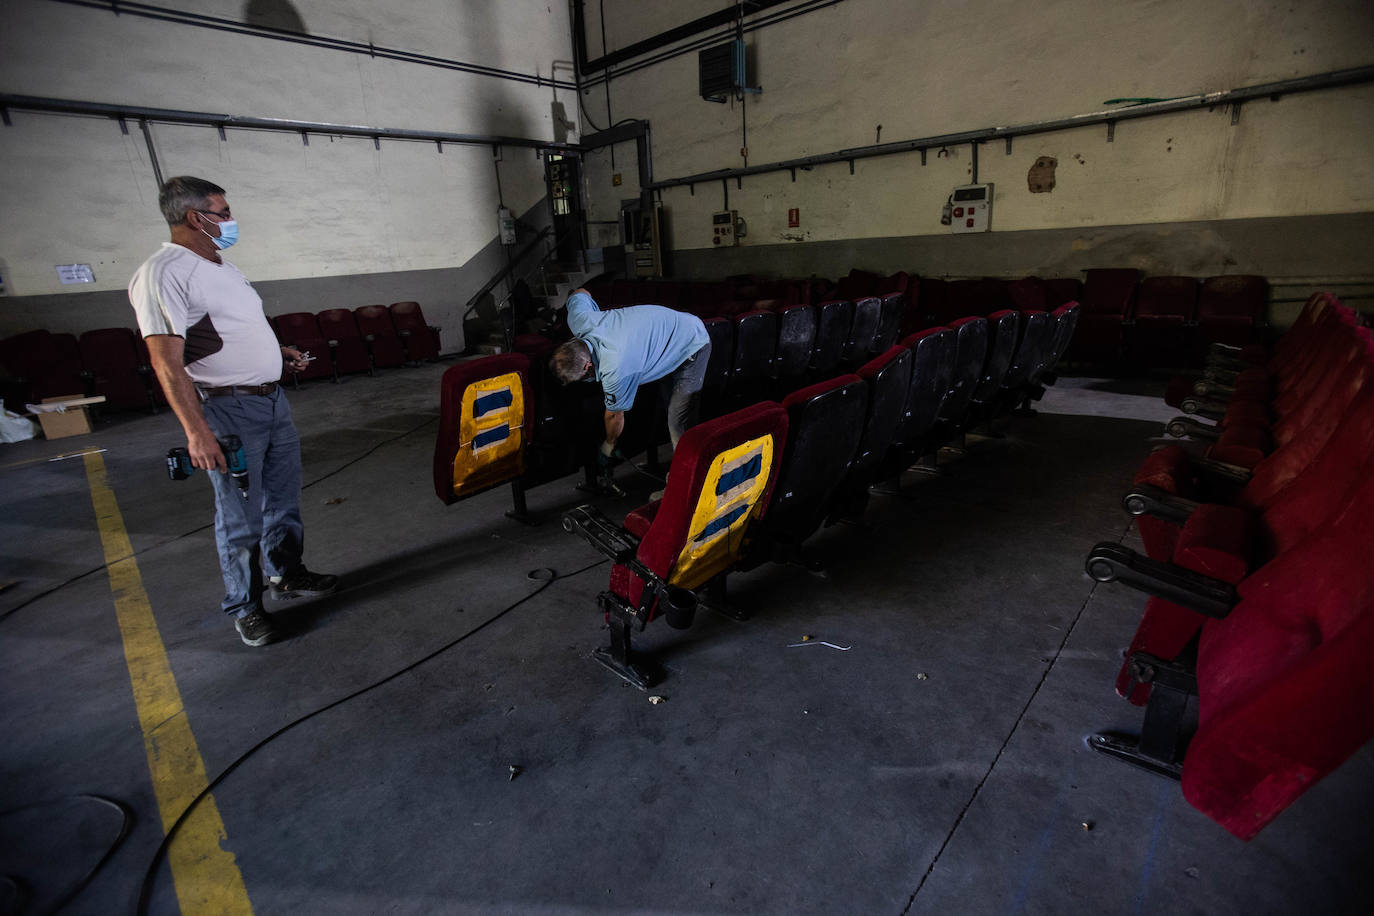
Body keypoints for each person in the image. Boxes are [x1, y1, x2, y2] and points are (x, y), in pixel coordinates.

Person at [128, 176, 336, 647]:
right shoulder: (164, 272)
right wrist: (197, 432)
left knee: (283, 501)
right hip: (228, 413)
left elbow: (231, 330)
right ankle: (245, 606)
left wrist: (277, 352)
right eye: (222, 213)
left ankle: (287, 575)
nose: (230, 220)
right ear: (195, 217)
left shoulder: (222, 266)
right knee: (240, 516)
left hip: (271, 401)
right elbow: (166, 360)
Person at [549, 289, 710, 492]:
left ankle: (684, 489)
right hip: (668, 336)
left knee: (678, 422)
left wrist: (608, 446)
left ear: (588, 367)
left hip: (692, 344)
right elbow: (580, 292)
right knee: (666, 407)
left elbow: (615, 416)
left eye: (583, 378)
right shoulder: (581, 320)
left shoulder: (615, 367)